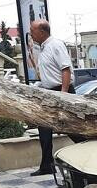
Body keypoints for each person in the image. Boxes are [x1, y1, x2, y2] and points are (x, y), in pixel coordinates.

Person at [29, 19, 85, 176]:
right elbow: (45, 73)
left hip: (61, 91)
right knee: (44, 127)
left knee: (71, 129)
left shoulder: (55, 45)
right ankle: (47, 164)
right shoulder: (43, 48)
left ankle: (92, 149)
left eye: (32, 31)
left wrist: (64, 94)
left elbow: (65, 69)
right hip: (49, 93)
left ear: (42, 32)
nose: (31, 35)